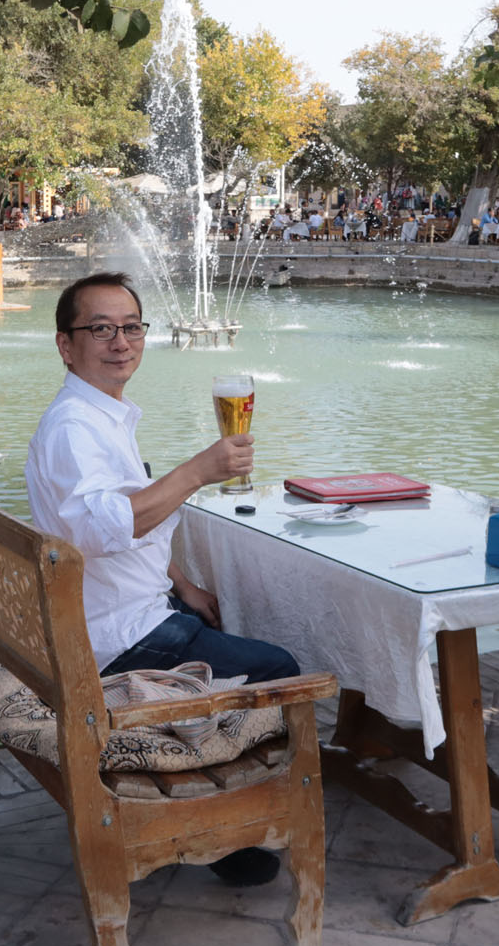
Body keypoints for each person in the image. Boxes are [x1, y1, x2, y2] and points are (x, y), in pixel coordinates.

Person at [27, 272, 297, 886]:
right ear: (66, 345)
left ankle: (216, 807)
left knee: (228, 617)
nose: (120, 342)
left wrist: (182, 584)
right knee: (281, 668)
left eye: (131, 327)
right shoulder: (73, 428)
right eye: (100, 329)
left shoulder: (101, 415)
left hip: (128, 608)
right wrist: (199, 469)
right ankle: (221, 833)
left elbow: (125, 522)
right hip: (118, 639)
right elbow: (103, 530)